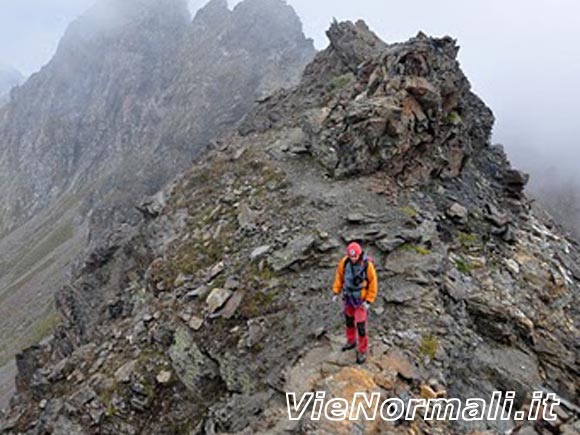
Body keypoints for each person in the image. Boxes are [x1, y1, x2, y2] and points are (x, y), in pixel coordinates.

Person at [332, 242, 378, 364]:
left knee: (361, 326)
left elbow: (373, 283)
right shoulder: (344, 262)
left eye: (355, 256)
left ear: (359, 254)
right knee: (349, 321)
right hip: (348, 297)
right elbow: (339, 277)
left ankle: (362, 350)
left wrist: (369, 301)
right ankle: (351, 341)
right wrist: (336, 292)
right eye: (351, 256)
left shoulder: (367, 265)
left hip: (361, 300)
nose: (353, 259)